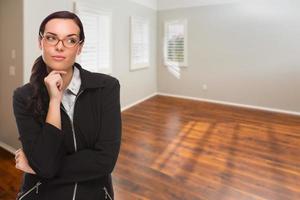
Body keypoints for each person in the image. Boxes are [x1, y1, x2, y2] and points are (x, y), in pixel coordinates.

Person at [12, 11, 121, 200]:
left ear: (79, 47)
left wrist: (36, 167)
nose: (59, 47)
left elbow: (105, 161)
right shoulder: (23, 97)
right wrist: (55, 100)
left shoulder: (107, 87)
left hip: (94, 192)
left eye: (70, 40)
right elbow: (45, 163)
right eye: (51, 38)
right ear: (41, 42)